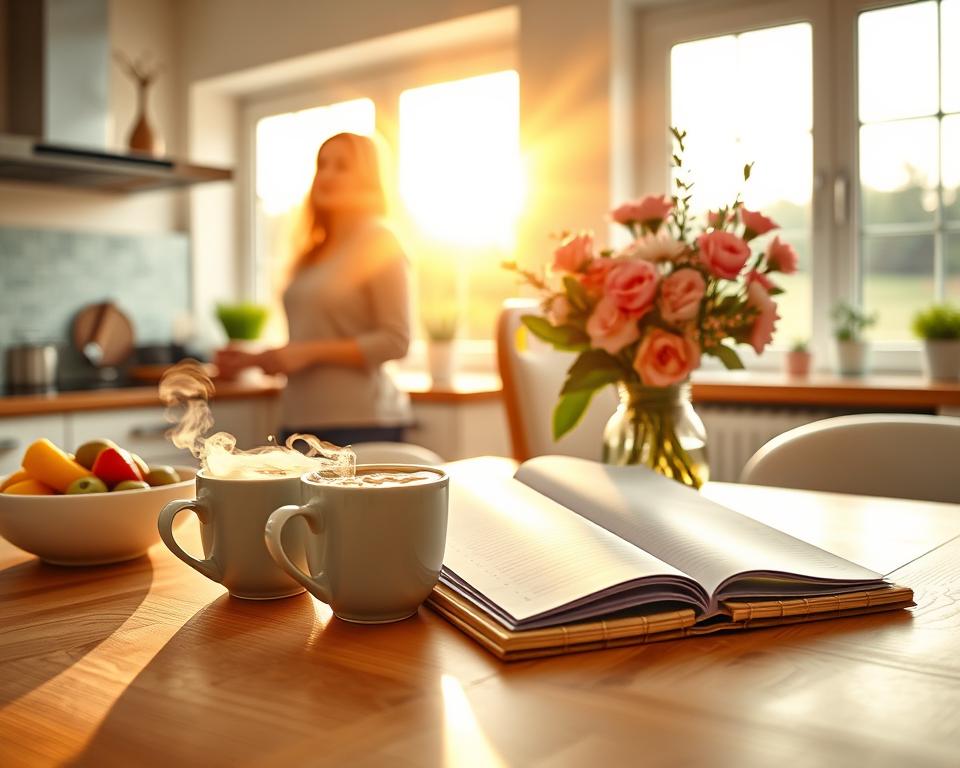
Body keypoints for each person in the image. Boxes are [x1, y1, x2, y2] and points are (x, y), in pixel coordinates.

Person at [216, 132, 412, 447]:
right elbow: (312, 337)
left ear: (368, 177)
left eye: (342, 166)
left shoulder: (379, 240)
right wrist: (258, 359)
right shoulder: (313, 252)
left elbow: (396, 341)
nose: (327, 175)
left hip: (361, 423)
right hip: (299, 423)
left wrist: (305, 353)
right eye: (322, 164)